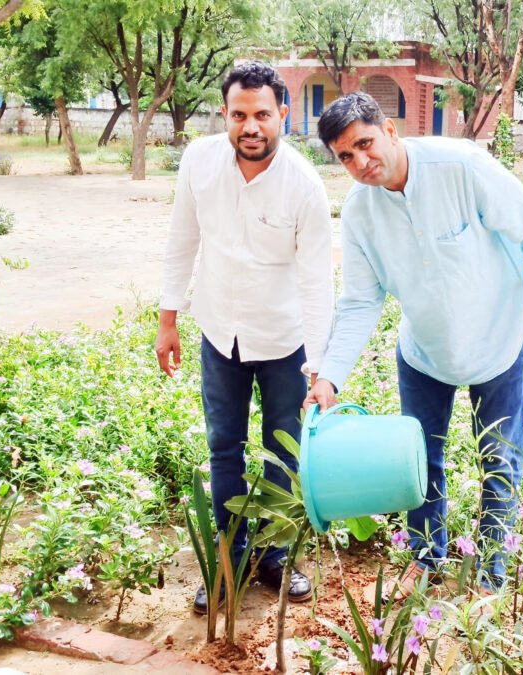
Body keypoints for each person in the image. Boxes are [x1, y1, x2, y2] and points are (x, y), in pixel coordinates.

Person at [306, 92, 523, 595]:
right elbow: (360, 302)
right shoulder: (360, 213)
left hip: (497, 345)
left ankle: (494, 566)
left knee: (499, 458)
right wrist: (329, 376)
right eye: (345, 156)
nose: (361, 162)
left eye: (365, 144)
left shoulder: (461, 166)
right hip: (424, 355)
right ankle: (426, 556)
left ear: (389, 130)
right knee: (419, 458)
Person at [155, 61, 333, 613]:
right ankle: (227, 556)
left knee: (285, 449)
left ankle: (276, 555)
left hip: (284, 343)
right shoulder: (199, 162)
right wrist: (168, 319)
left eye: (262, 114)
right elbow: (182, 238)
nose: (250, 126)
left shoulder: (304, 184)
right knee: (222, 446)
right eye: (239, 114)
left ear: (283, 113)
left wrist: (320, 365)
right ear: (225, 114)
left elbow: (316, 278)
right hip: (218, 332)